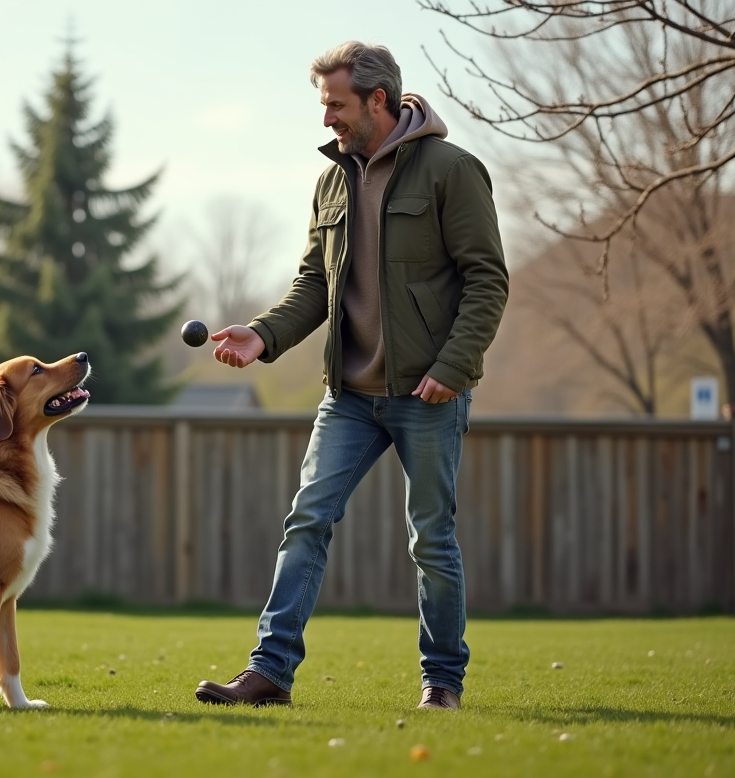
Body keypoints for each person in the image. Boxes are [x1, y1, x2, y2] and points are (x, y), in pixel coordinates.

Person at [194, 41, 508, 710]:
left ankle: (442, 683)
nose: (327, 119)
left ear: (377, 100)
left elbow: (488, 280)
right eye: (323, 105)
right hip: (349, 396)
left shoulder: (452, 170)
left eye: (335, 105)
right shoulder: (332, 180)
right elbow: (315, 282)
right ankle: (269, 673)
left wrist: (453, 367)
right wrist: (263, 334)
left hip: (428, 391)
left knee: (431, 539)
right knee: (307, 519)